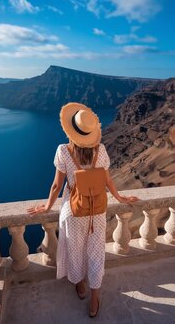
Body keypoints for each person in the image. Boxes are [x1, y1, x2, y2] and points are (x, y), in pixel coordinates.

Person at [27, 102, 139, 318]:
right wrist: (119, 197)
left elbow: (56, 186)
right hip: (96, 210)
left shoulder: (63, 151)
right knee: (97, 255)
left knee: (75, 250)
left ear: (71, 130)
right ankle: (94, 299)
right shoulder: (101, 151)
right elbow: (108, 181)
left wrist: (47, 206)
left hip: (73, 211)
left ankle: (79, 285)